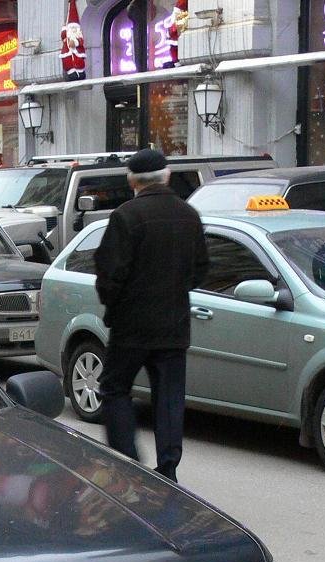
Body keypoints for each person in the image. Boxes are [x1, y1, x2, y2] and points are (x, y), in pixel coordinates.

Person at [93, 148, 209, 484]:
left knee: (115, 388)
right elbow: (201, 269)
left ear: (131, 181)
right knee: (169, 396)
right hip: (173, 324)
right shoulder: (189, 215)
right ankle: (168, 468)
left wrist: (113, 307)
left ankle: (126, 461)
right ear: (167, 176)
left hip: (131, 325)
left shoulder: (126, 216)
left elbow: (110, 273)